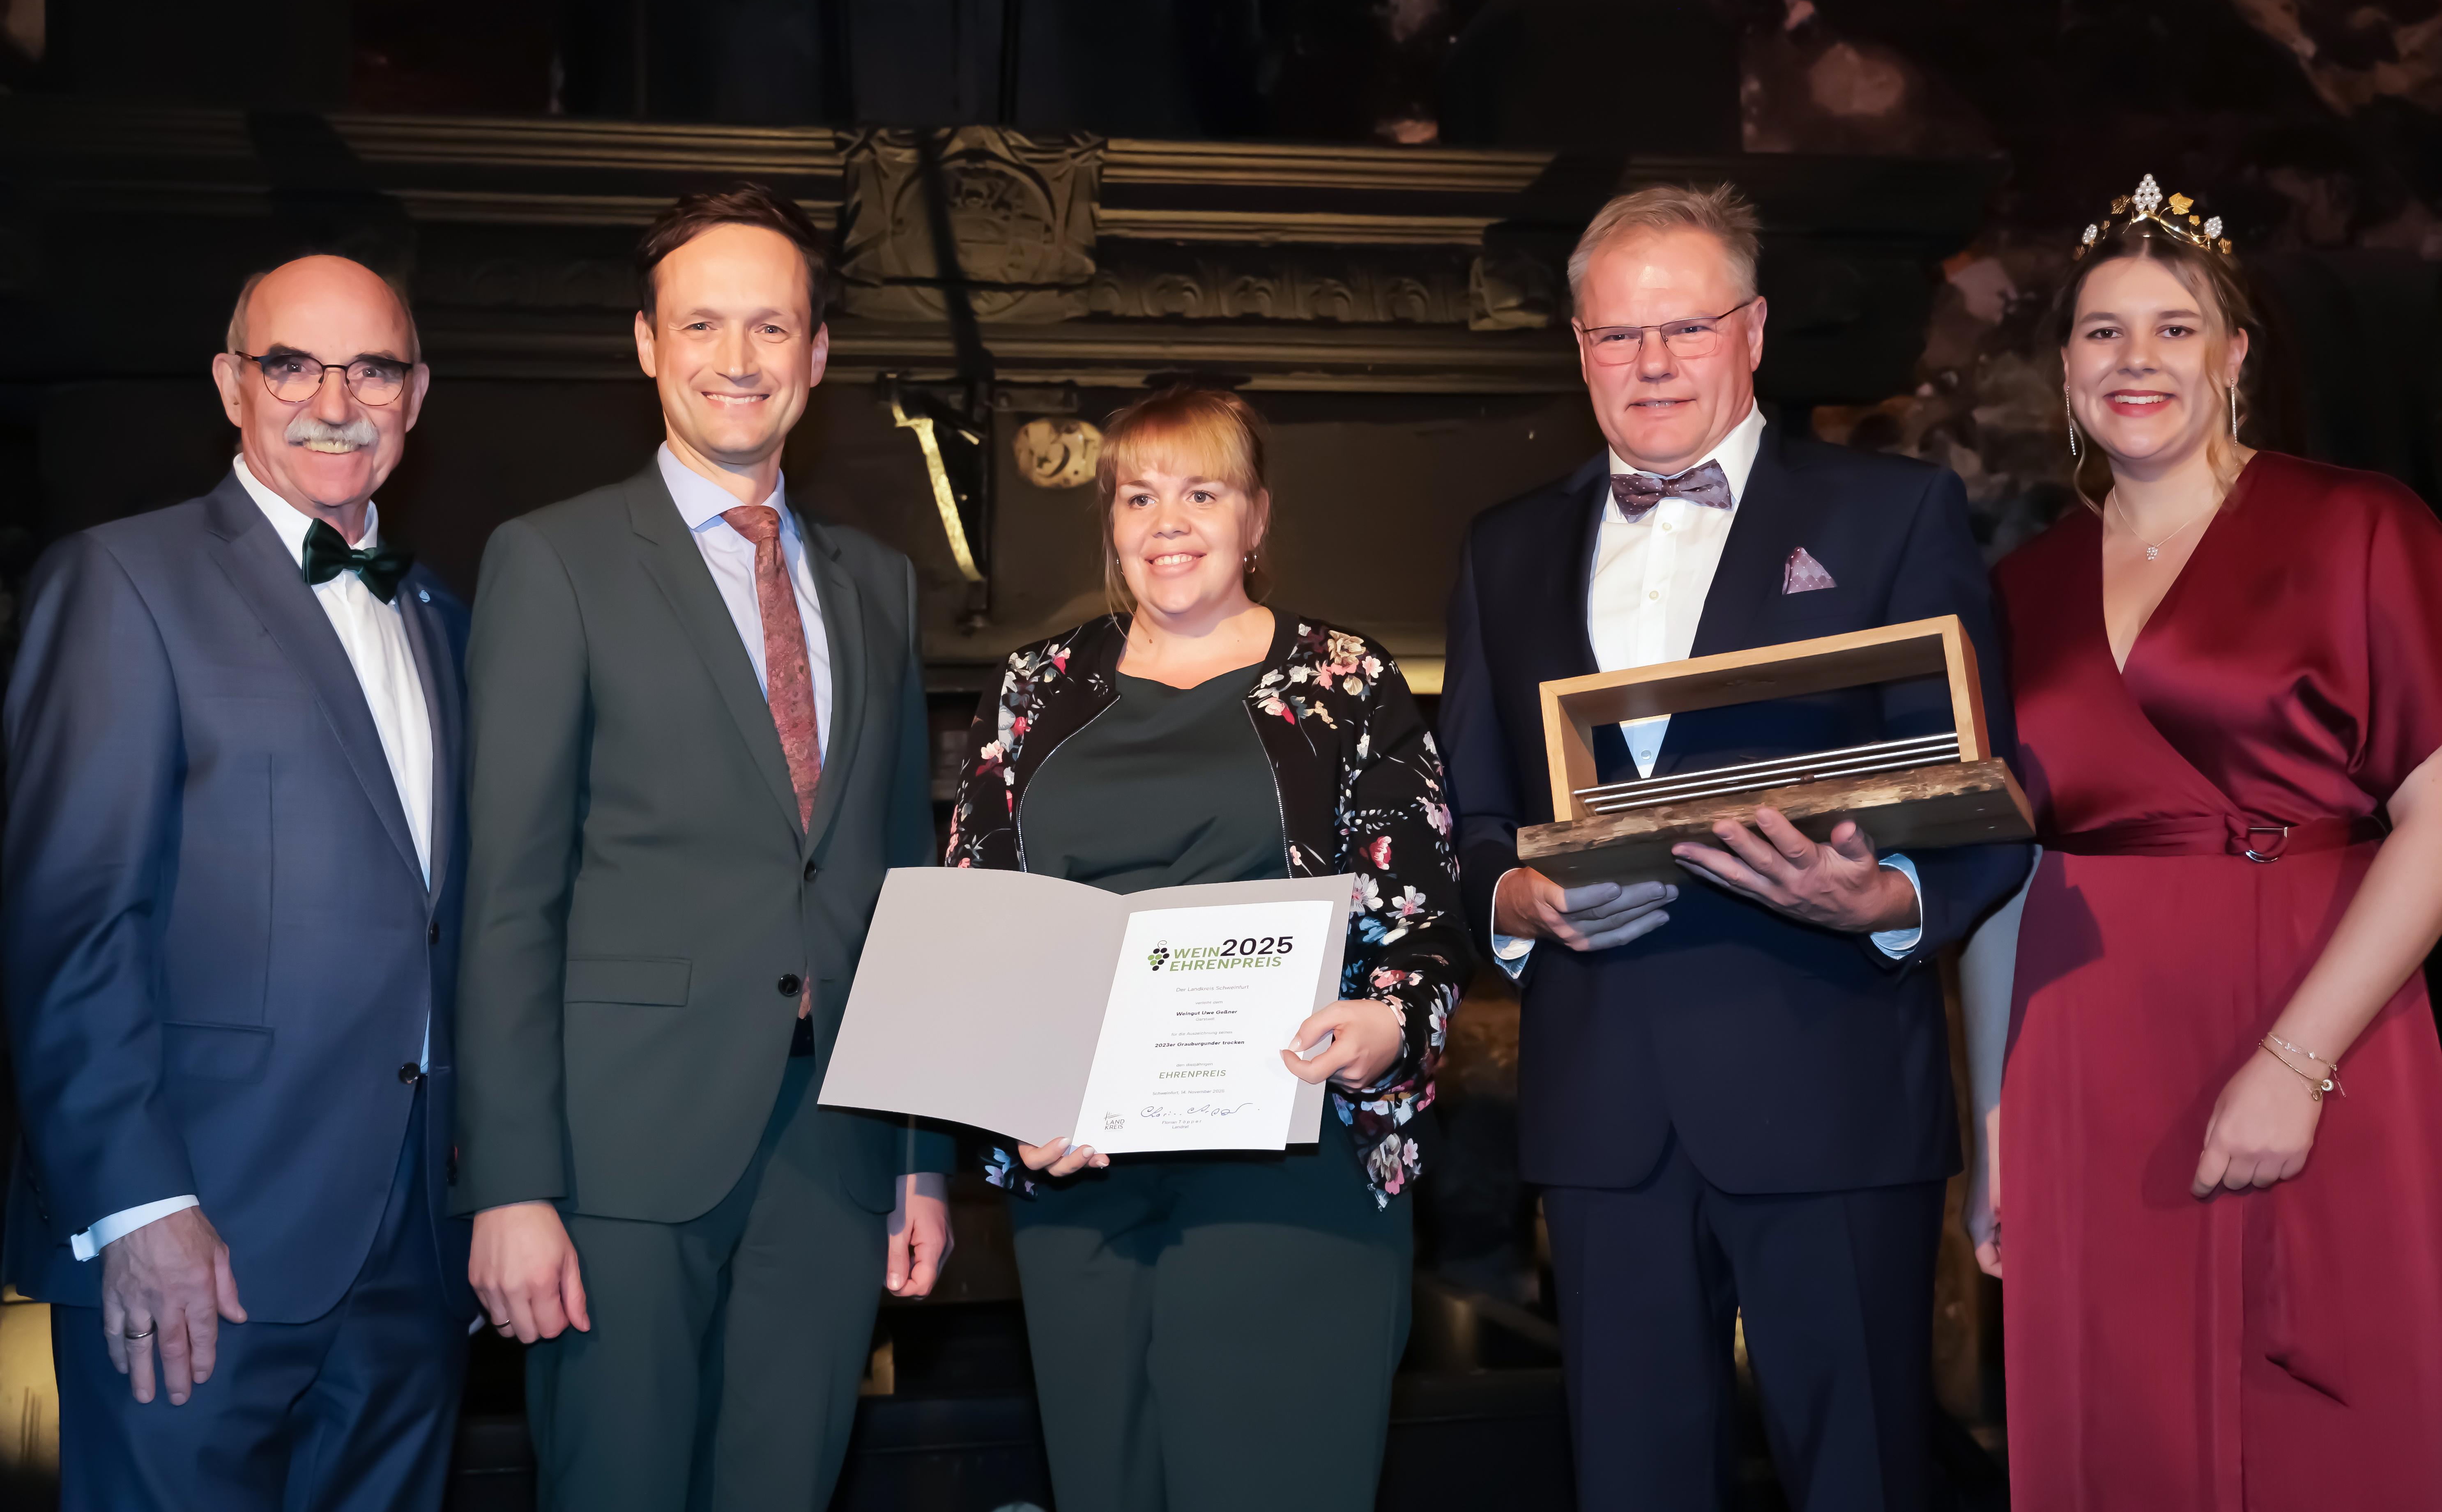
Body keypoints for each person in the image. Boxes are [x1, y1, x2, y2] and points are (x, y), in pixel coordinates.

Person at [1436, 182, 2030, 1510]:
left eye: (1685, 327)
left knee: (1863, 1478)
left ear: (1752, 332)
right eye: (1616, 334)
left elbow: (1989, 788)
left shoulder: (1893, 512)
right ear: (1578, 346)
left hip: (1830, 1085)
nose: (1650, 362)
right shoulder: (1503, 548)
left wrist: (1886, 897)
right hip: (1603, 1115)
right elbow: (1468, 817)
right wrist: (1516, 898)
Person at [454, 183, 954, 1510]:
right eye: (701, 325)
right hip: (616, 1155)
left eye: (771, 326)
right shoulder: (553, 560)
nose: (738, 359)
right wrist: (509, 1183)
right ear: (645, 343)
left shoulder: (879, 582)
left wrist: (919, 1154)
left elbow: (902, 882)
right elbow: (506, 898)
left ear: (818, 354)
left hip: (836, 1147)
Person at [1964, 176, 2442, 1506]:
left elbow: (2439, 811)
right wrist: (1995, 1120)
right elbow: (2004, 869)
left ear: (2233, 356)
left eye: (2172, 328)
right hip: (2081, 1054)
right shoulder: (2014, 591)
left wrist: (2296, 1061)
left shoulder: (2359, 526)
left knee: (2331, 1419)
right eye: (2103, 332)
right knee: (2115, 1422)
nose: (2137, 359)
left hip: (2319, 1013)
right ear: (2066, 371)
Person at [941, 385, 1471, 1512]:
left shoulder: (1347, 681)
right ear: (1110, 522)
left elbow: (1420, 913)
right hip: (1080, 1174)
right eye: (1138, 497)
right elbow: (976, 917)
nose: (1168, 523)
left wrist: (1386, 1025)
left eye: (1202, 493)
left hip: (1291, 1167)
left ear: (1256, 518)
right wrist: (1010, 1095)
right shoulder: (1032, 688)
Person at [2, 256, 478, 1509]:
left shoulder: (443, 613)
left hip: (411, 1260)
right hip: (192, 1243)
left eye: (371, 369)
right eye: (292, 365)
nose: (335, 401)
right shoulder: (121, 580)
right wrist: (138, 1205)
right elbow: (71, 924)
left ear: (416, 394)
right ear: (231, 384)